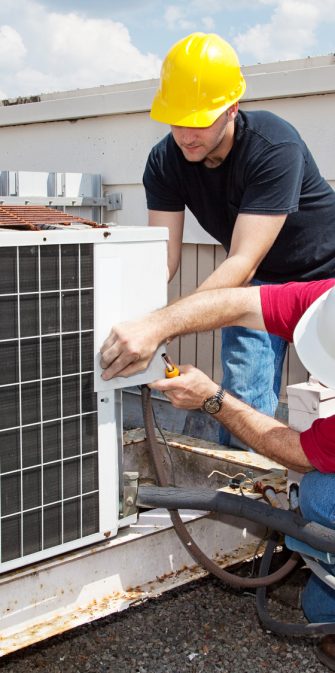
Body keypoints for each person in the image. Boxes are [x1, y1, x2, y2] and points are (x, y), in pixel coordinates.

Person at [100, 278, 335, 668]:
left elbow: (303, 454)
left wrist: (213, 400)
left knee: (321, 498)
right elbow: (238, 303)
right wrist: (157, 325)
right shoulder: (327, 299)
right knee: (317, 605)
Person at [143, 31, 335, 446]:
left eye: (200, 120)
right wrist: (139, 316)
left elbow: (241, 260)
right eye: (177, 119)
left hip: (325, 278)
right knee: (242, 398)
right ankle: (248, 496)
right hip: (258, 282)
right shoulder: (164, 161)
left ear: (232, 108)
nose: (186, 134)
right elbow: (164, 258)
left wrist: (163, 325)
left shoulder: (272, 144)